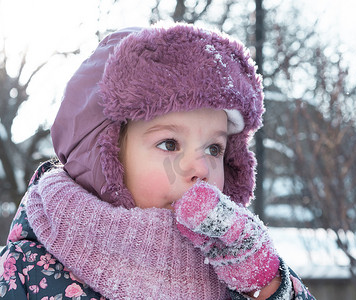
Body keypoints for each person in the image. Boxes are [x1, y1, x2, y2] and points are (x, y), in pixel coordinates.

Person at [0, 22, 316, 300]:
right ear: (104, 156)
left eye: (214, 149)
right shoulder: (25, 270)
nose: (201, 168)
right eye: (169, 143)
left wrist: (267, 284)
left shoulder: (235, 272)